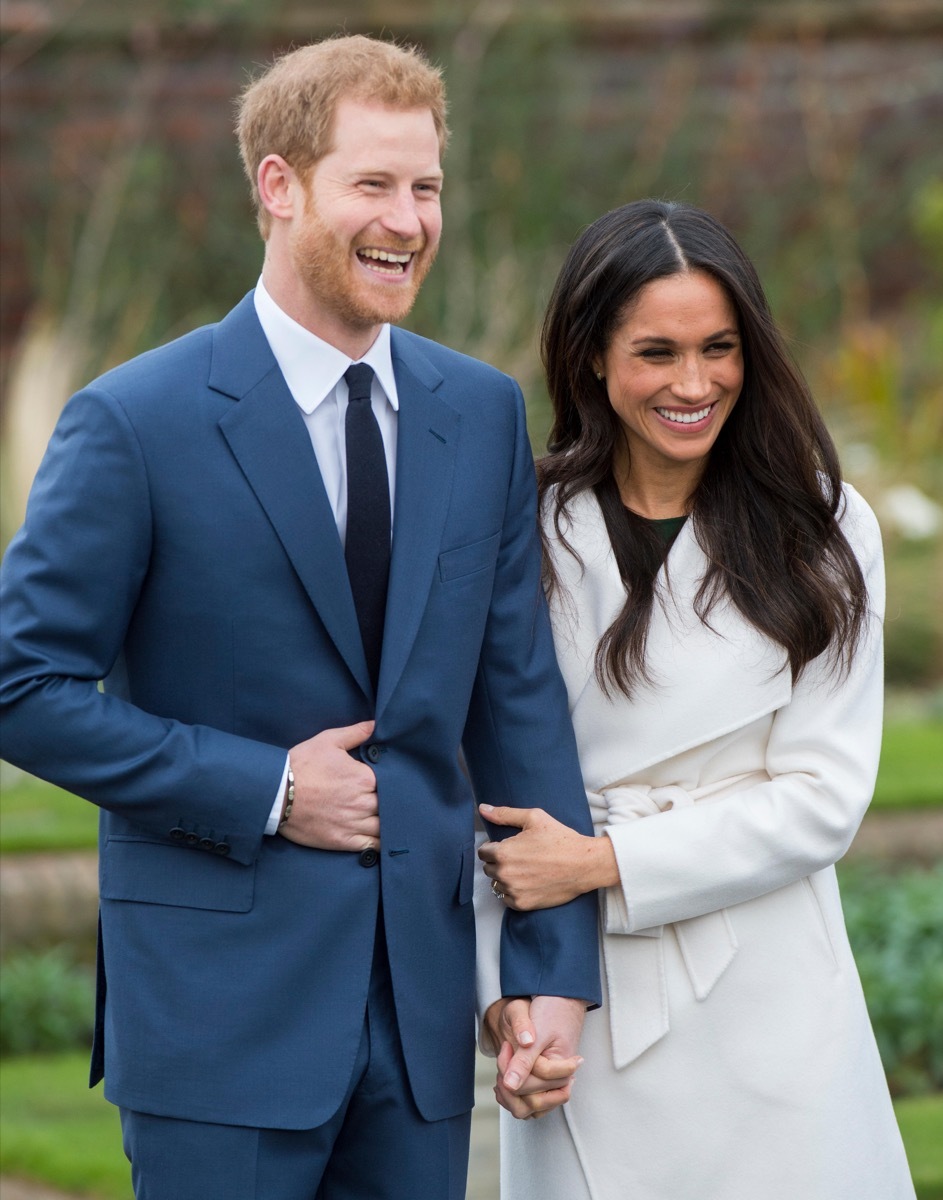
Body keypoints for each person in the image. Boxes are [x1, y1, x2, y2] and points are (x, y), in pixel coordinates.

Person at [0, 35, 601, 1200]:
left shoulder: (477, 415)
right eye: (372, 183)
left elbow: (516, 703)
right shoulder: (134, 422)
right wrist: (268, 789)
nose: (410, 218)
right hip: (216, 1021)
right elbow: (22, 688)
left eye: (426, 186)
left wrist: (549, 970)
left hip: (420, 1018)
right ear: (279, 187)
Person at [475, 199, 914, 1199]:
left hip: (768, 994)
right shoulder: (520, 530)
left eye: (718, 348)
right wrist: (506, 1001)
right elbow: (482, 789)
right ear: (589, 356)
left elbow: (820, 800)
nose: (692, 382)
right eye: (654, 351)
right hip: (582, 1005)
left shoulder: (824, 528)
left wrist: (602, 861)